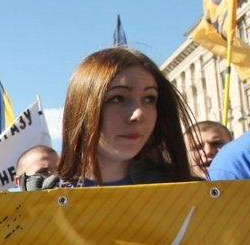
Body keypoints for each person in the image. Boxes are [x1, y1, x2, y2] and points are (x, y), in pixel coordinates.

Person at [53, 48, 194, 187]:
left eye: (149, 98)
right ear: (82, 108)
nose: (139, 113)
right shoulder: (42, 202)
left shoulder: (194, 196)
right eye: (118, 98)